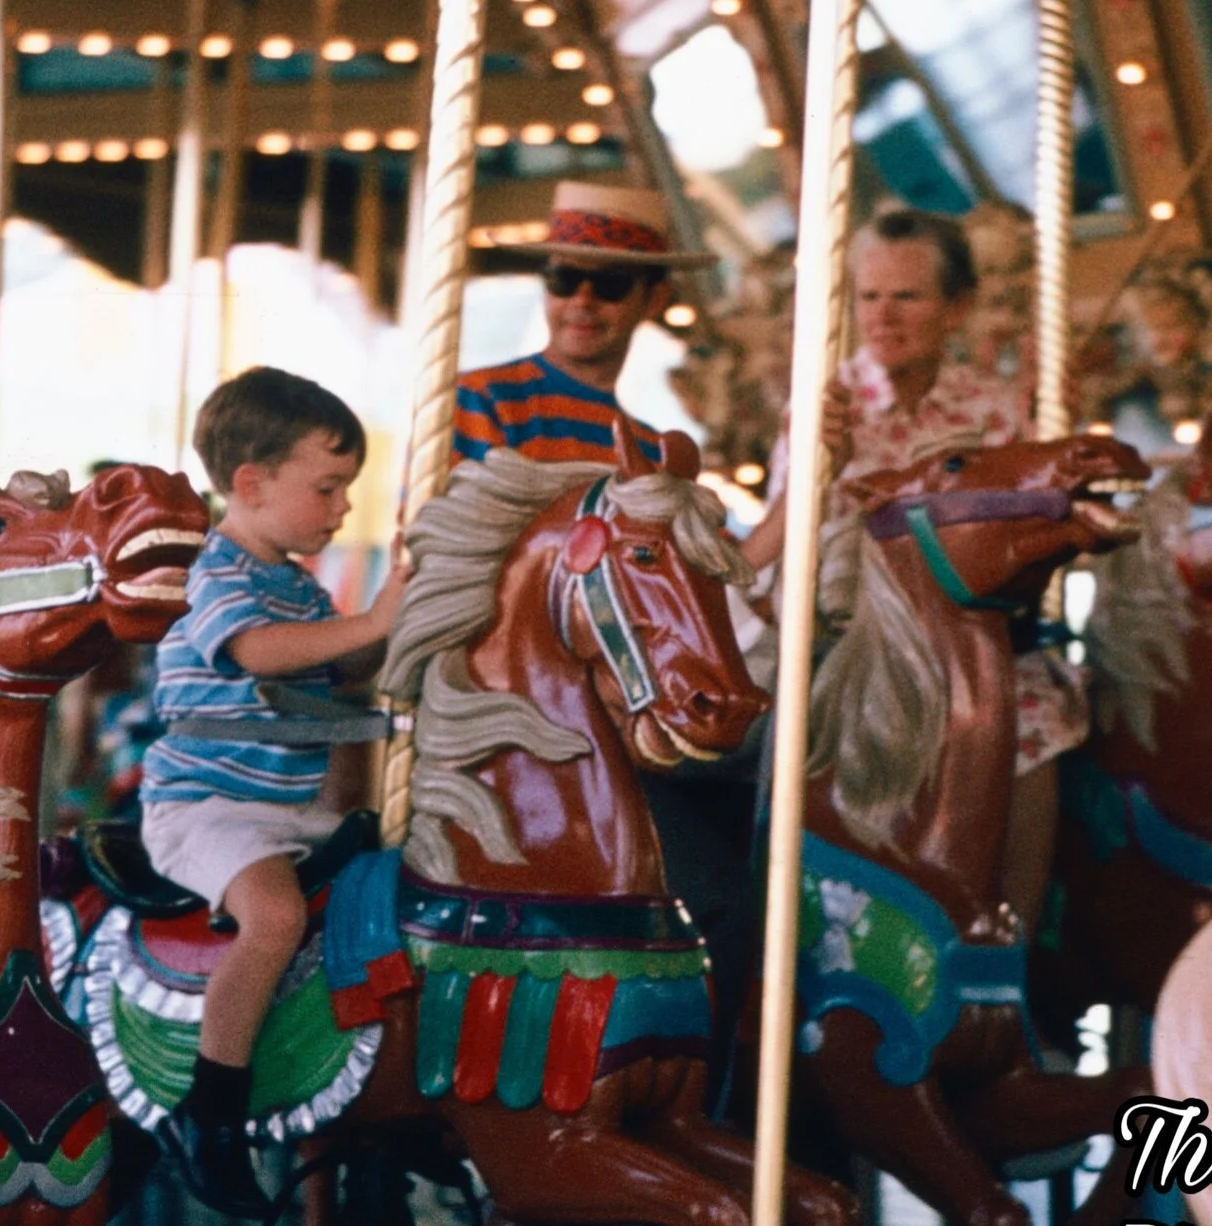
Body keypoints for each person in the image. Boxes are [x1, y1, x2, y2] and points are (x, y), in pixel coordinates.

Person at [740, 209, 1087, 929]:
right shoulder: (825, 407)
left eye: (908, 297)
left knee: (1039, 721)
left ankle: (1006, 941)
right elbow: (770, 568)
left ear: (955, 307)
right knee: (785, 728)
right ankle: (772, 931)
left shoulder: (992, 413)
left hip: (964, 645)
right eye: (869, 297)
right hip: (853, 648)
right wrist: (811, 468)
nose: (884, 317)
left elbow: (1030, 547)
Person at [138, 368, 406, 1217]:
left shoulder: (296, 583)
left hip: (292, 810)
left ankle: (382, 1094)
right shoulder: (215, 574)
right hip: (206, 808)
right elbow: (256, 653)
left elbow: (347, 664)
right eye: (327, 489)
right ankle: (210, 1111)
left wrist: (405, 616)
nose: (340, 510)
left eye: (346, 491)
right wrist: (369, 621)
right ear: (249, 485)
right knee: (277, 918)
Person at [452, 182, 711, 466]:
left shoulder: (650, 451)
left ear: (655, 300)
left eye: (610, 284)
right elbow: (433, 510)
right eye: (564, 278)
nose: (582, 300)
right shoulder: (481, 398)